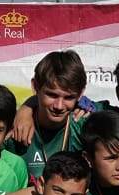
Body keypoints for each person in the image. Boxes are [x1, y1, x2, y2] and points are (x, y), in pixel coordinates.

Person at [8, 50, 89, 184]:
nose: (59, 106)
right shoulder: (14, 128)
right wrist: (25, 108)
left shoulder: (85, 128)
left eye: (68, 97)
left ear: (81, 94)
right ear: (35, 87)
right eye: (52, 95)